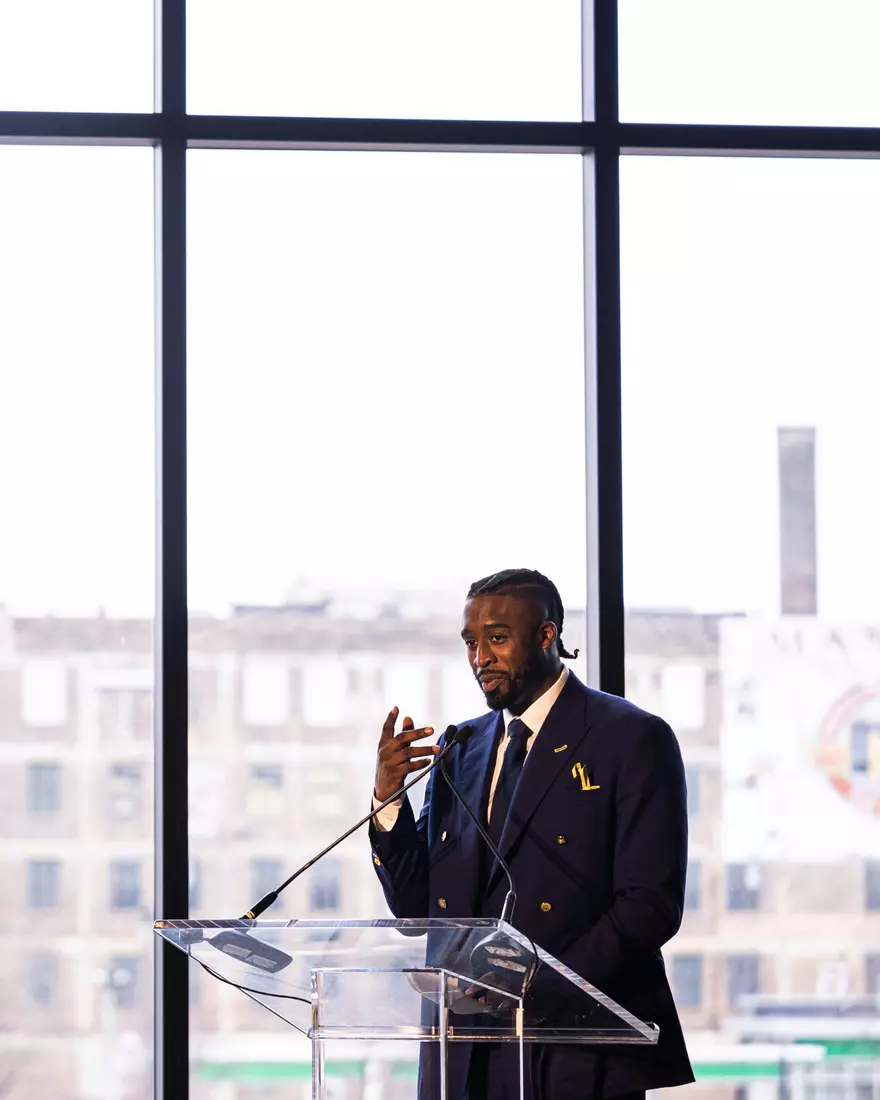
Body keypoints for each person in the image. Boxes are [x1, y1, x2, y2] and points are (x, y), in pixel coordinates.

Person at [369, 568, 694, 1100]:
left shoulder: (631, 737)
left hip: (575, 1048)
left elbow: (650, 906)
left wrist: (538, 983)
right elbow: (414, 909)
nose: (480, 658)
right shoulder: (459, 748)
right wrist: (388, 798)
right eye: (470, 642)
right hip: (460, 1056)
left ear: (547, 635)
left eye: (497, 638)